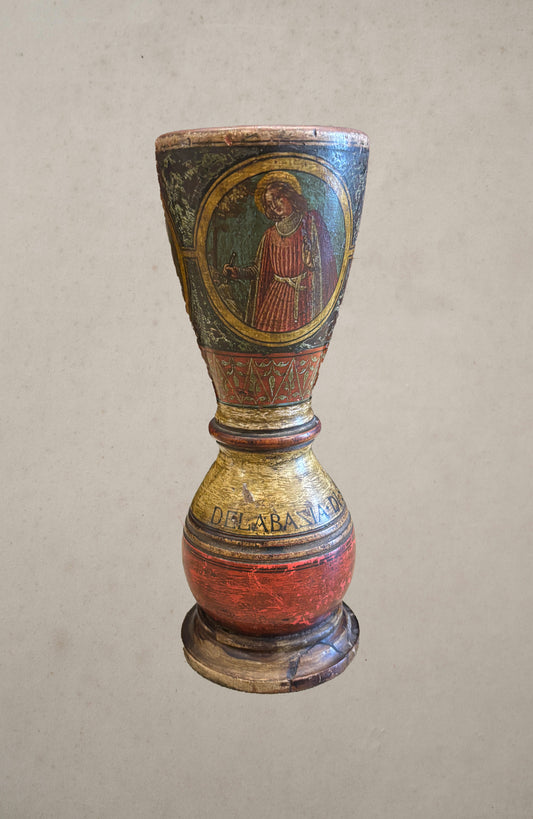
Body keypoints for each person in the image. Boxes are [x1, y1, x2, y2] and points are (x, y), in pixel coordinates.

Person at [223, 172, 338, 332]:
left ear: (289, 195)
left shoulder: (310, 223)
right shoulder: (270, 235)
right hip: (275, 300)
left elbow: (326, 261)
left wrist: (313, 263)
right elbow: (260, 270)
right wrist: (239, 272)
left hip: (303, 297)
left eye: (277, 198)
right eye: (269, 204)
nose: (274, 206)